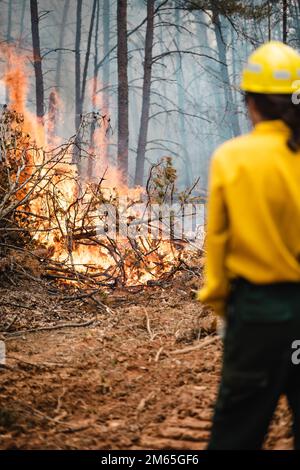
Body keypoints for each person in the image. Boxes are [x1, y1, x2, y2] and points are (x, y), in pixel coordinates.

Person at [197, 41, 300, 450]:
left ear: (250, 103)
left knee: (237, 432)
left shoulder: (233, 159)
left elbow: (218, 245)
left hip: (258, 317)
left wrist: (225, 305)